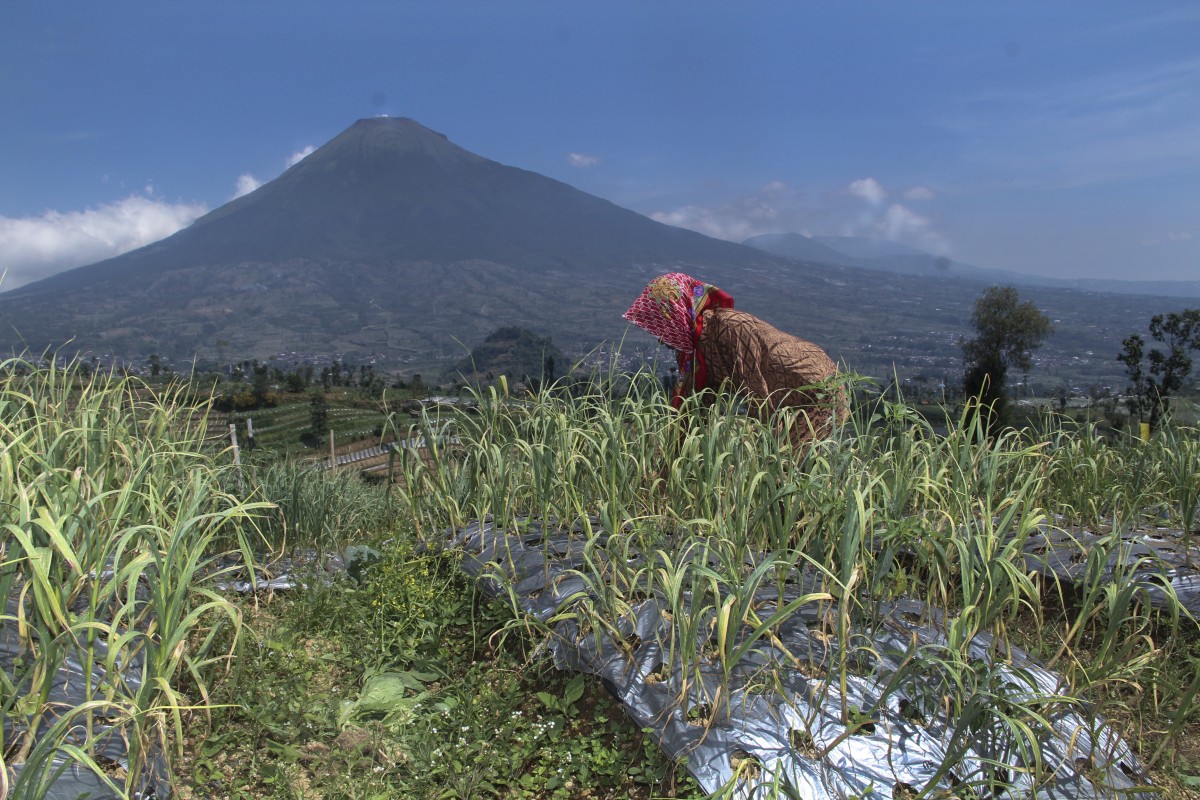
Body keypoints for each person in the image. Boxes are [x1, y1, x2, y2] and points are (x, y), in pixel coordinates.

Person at [623, 272, 844, 449]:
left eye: (664, 327)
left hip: (817, 392)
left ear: (680, 315)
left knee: (781, 469)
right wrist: (670, 467)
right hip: (781, 401)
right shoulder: (693, 353)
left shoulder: (733, 328)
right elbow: (693, 411)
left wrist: (752, 448)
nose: (662, 340)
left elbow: (757, 394)